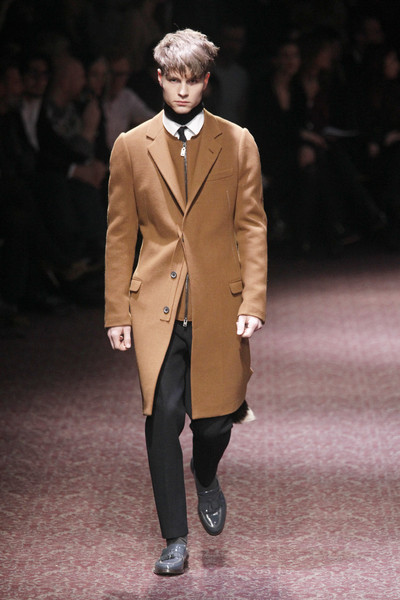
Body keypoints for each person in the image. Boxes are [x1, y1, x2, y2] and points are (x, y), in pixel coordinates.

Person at [104, 28, 268, 575]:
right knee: (161, 418)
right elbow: (120, 235)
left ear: (206, 81)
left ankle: (205, 471)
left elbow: (251, 225)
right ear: (159, 78)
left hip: (219, 302)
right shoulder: (131, 146)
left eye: (191, 81)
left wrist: (253, 301)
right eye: (173, 80)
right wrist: (116, 311)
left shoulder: (237, 142)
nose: (181, 90)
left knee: (215, 422)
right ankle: (175, 538)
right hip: (155, 303)